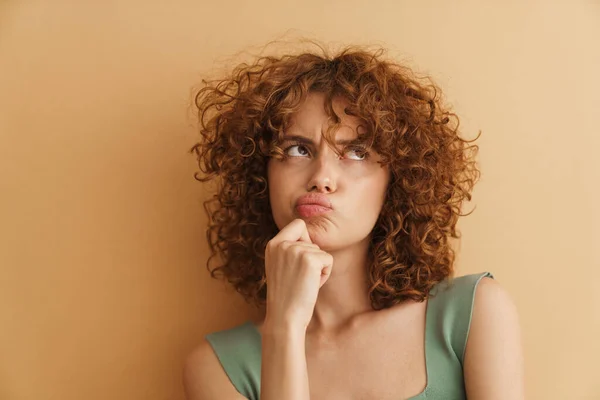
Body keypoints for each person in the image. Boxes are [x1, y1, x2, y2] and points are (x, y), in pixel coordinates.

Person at [183, 42, 524, 400]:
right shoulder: (216, 368)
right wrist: (283, 330)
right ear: (261, 175)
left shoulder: (473, 315)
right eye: (298, 149)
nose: (322, 177)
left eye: (356, 153)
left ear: (397, 181)